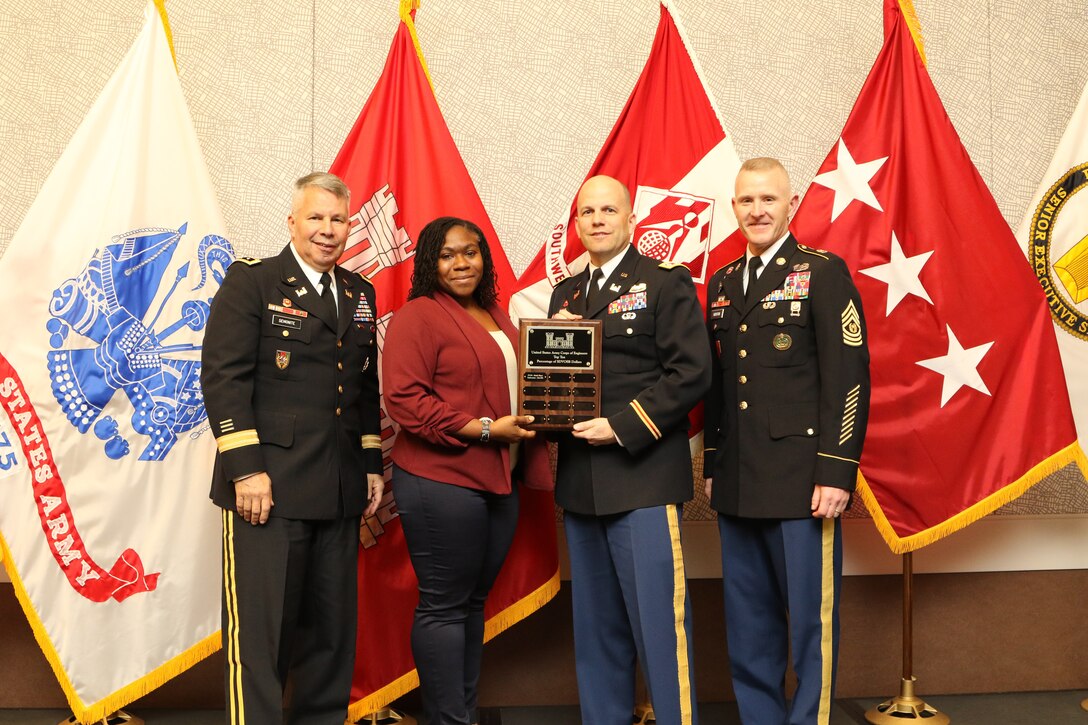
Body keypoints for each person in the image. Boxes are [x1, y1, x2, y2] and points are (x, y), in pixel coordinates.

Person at [201, 172, 384, 725]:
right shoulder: (253, 282)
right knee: (263, 640)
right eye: (316, 218)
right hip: (269, 490)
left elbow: (363, 386)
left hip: (338, 488)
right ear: (293, 223)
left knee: (331, 639)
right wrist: (246, 471)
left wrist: (371, 465)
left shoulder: (359, 292)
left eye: (338, 220)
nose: (328, 231)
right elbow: (223, 377)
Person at [703, 157, 871, 725]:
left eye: (768, 199)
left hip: (805, 482)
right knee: (748, 622)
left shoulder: (822, 272)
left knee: (810, 622)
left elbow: (849, 377)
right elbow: (723, 385)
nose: (757, 210)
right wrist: (714, 460)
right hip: (739, 481)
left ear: (790, 204)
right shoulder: (723, 282)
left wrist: (837, 470)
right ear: (734, 208)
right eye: (747, 201)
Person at [548, 175, 711, 725]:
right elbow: (554, 384)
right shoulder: (565, 295)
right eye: (586, 212)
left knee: (660, 632)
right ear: (576, 225)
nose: (596, 220)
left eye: (608, 210)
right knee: (597, 634)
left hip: (641, 478)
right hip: (580, 483)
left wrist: (622, 426)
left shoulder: (665, 283)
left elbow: (691, 372)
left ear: (631, 220)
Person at [382, 216, 551, 725]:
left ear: (484, 258)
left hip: (500, 480)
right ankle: (449, 720)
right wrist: (481, 430)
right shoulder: (419, 315)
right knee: (444, 605)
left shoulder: (495, 314)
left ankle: (459, 714)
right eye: (448, 254)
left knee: (472, 602)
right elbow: (404, 401)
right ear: (430, 263)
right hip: (441, 482)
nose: (462, 263)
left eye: (471, 252)